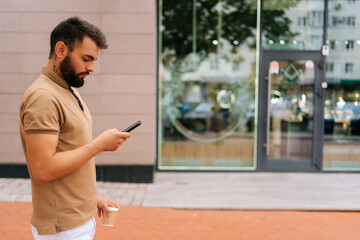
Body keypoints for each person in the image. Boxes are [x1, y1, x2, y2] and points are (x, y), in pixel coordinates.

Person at [19, 16, 130, 239]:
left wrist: (92, 199)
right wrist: (99, 145)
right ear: (60, 49)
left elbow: (71, 151)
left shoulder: (67, 89)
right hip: (63, 228)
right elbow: (43, 170)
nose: (91, 68)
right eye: (86, 59)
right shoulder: (43, 97)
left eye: (94, 60)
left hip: (78, 220)